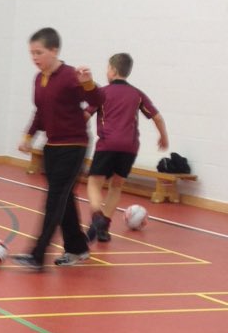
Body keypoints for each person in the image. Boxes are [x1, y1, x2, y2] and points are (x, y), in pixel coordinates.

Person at [14, 27, 101, 270]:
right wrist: (28, 136)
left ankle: (37, 255)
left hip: (73, 146)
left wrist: (89, 83)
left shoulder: (72, 76)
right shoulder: (38, 79)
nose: (34, 58)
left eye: (39, 52)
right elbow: (40, 112)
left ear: (54, 51)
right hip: (51, 147)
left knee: (54, 201)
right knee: (64, 200)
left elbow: (97, 101)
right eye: (31, 53)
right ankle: (77, 248)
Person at [84, 52, 168, 243]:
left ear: (112, 70)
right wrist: (163, 137)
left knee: (94, 183)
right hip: (130, 147)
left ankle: (97, 218)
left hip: (108, 144)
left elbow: (85, 116)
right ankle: (104, 227)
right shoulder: (137, 94)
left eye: (107, 68)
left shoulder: (102, 93)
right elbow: (157, 117)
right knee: (116, 185)